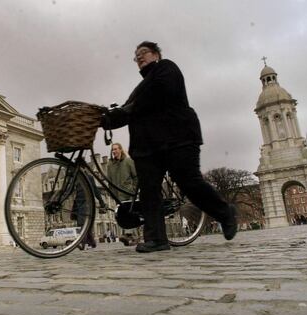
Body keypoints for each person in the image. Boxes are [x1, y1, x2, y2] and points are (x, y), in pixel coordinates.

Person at [101, 41, 237, 253]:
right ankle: (156, 239)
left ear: (156, 54)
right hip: (148, 146)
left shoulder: (167, 68)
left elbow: (154, 96)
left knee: (189, 182)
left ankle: (225, 212)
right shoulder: (139, 88)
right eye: (136, 56)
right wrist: (105, 120)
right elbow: (128, 111)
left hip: (177, 137)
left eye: (143, 53)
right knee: (149, 192)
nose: (139, 57)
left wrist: (126, 110)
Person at [107, 143, 139, 246]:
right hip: (117, 194)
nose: (114, 151)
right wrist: (111, 192)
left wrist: (133, 189)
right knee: (122, 214)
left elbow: (135, 176)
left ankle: (132, 236)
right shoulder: (110, 165)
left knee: (131, 213)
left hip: (128, 193)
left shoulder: (128, 161)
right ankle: (128, 236)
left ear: (120, 150)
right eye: (113, 150)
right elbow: (109, 181)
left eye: (116, 149)